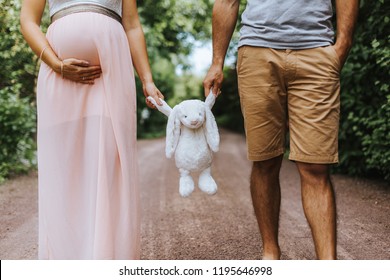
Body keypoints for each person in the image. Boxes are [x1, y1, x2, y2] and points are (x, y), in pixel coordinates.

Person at [203, 0, 359, 259]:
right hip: (257, 53)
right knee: (265, 161)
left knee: (315, 166)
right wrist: (217, 62)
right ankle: (270, 253)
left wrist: (342, 45)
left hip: (317, 52)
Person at [20, 0, 164, 259]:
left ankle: (107, 258)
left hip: (112, 75)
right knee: (64, 165)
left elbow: (131, 25)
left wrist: (147, 79)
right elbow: (28, 21)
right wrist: (56, 63)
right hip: (58, 76)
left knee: (109, 164)